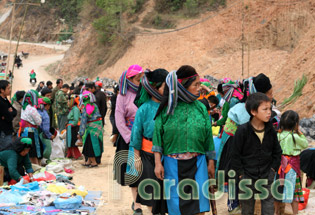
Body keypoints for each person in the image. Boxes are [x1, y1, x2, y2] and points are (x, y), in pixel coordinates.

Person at [153, 65, 216, 215]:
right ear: (183, 86)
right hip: (172, 165)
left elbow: (208, 138)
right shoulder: (167, 109)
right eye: (196, 85)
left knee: (199, 205)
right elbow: (157, 138)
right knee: (176, 206)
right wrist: (157, 163)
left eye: (200, 84)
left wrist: (211, 162)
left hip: (198, 163)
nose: (199, 88)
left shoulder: (201, 108)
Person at [216, 73, 274, 214]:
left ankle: (240, 203)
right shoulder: (246, 110)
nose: (272, 96)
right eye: (270, 93)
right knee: (235, 176)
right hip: (234, 145)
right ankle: (233, 205)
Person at [231, 93, 282, 215]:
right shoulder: (242, 131)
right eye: (265, 109)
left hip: (267, 174)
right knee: (247, 209)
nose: (269, 112)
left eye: (270, 108)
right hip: (247, 177)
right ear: (253, 112)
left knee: (268, 207)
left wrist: (273, 169)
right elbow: (235, 155)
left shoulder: (271, 131)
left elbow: (277, 152)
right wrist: (241, 174)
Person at [129, 69, 168, 215]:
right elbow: (136, 137)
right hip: (147, 156)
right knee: (151, 195)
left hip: (168, 156)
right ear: (155, 88)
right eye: (165, 87)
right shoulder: (144, 109)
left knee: (165, 195)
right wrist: (137, 160)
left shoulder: (171, 107)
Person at [114, 65, 143, 214]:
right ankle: (137, 204)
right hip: (130, 137)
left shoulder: (146, 93)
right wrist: (129, 136)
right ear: (130, 79)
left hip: (146, 137)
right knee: (133, 171)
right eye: (138, 78)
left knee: (147, 170)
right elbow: (119, 119)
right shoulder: (122, 96)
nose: (141, 81)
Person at [274, 110, 308, 215]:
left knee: (277, 190)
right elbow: (305, 144)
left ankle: (277, 212)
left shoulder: (278, 135)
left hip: (280, 166)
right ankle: (295, 213)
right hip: (292, 167)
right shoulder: (295, 137)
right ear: (296, 124)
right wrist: (300, 133)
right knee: (294, 193)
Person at [78, 91, 103, 167]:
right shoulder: (95, 106)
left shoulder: (85, 107)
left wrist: (80, 133)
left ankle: (94, 162)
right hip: (98, 127)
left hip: (91, 129)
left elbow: (83, 120)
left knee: (90, 145)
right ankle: (88, 161)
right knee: (94, 144)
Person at [19, 90, 42, 165]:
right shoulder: (32, 109)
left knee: (26, 150)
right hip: (31, 132)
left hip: (24, 131)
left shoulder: (23, 108)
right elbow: (38, 122)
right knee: (33, 151)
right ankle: (34, 167)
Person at [0, 80, 17, 151]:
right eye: (8, 88)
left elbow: (15, 111)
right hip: (4, 132)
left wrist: (8, 113)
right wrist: (9, 113)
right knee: (6, 152)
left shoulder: (5, 99)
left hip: (7, 131)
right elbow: (9, 118)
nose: (10, 90)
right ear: (2, 90)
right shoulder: (1, 102)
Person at [66, 95, 82, 159]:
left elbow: (76, 120)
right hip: (70, 126)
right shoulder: (72, 108)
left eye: (69, 101)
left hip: (72, 127)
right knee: (70, 141)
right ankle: (70, 154)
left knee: (72, 141)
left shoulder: (75, 109)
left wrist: (70, 124)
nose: (68, 102)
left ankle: (75, 155)